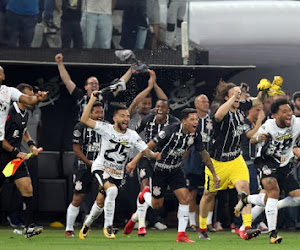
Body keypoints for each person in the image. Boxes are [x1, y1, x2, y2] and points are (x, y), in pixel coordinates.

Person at [126, 108, 220, 243]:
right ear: (184, 121)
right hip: (159, 170)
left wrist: (214, 173)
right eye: (192, 119)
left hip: (176, 170)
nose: (196, 122)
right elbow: (148, 147)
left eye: (197, 119)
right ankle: (144, 195)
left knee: (185, 198)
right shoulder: (169, 131)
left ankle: (181, 234)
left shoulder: (195, 135)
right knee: (156, 205)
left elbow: (204, 155)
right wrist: (134, 162)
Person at [78, 92, 160, 240]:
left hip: (117, 173)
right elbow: (84, 119)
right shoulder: (106, 128)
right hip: (100, 168)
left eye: (128, 116)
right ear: (115, 118)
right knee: (112, 191)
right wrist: (91, 99)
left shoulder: (132, 135)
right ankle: (108, 226)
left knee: (100, 203)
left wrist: (154, 155)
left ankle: (87, 223)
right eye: (123, 116)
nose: (126, 119)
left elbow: (145, 151)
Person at [198, 81, 267, 241]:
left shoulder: (241, 107)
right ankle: (202, 228)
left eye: (239, 93)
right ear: (226, 97)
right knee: (209, 195)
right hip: (217, 162)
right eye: (234, 94)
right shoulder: (218, 108)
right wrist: (234, 97)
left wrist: (264, 90)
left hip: (236, 159)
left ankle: (247, 227)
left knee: (244, 190)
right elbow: (218, 116)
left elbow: (259, 100)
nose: (238, 96)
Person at [235, 98, 300, 244]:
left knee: (295, 198)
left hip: (285, 165)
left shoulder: (296, 122)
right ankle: (273, 234)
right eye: (284, 111)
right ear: (275, 115)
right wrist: (259, 137)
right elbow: (252, 140)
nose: (289, 114)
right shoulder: (269, 125)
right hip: (266, 162)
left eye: (290, 110)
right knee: (273, 193)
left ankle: (247, 199)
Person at [124, 98, 179, 236]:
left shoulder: (174, 123)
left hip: (163, 161)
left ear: (168, 111)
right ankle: (142, 225)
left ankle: (135, 217)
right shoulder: (147, 119)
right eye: (157, 106)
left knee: (155, 199)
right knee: (144, 188)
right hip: (145, 157)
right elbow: (135, 133)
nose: (159, 109)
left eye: (162, 107)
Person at [0, 83, 43, 238]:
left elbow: (23, 131)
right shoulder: (8, 112)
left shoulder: (26, 113)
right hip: (3, 156)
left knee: (27, 188)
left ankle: (28, 227)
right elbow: (2, 139)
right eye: (29, 94)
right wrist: (17, 152)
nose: (31, 97)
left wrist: (31, 144)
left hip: (14, 159)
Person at [55, 53, 132, 123]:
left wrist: (132, 68)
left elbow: (121, 83)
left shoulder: (105, 96)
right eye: (91, 83)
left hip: (100, 130)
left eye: (96, 84)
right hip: (84, 129)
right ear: (85, 87)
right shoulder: (81, 96)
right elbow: (67, 81)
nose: (94, 85)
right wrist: (60, 63)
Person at [64, 101, 103, 237]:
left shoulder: (104, 127)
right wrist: (90, 163)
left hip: (100, 168)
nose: (100, 115)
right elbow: (76, 149)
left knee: (107, 194)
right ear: (89, 113)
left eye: (101, 112)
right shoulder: (80, 127)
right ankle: (69, 229)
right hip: (83, 167)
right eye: (96, 112)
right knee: (78, 197)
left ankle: (106, 225)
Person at [182, 95, 215, 232]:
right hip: (192, 158)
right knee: (192, 191)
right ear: (196, 104)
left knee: (211, 191)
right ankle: (192, 223)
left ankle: (208, 222)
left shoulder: (213, 120)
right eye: (203, 101)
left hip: (209, 157)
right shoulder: (191, 121)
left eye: (207, 101)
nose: (206, 104)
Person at [0, 66, 48, 147]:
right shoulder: (12, 111)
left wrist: (38, 98)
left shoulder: (9, 91)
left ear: (3, 76)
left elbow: (29, 100)